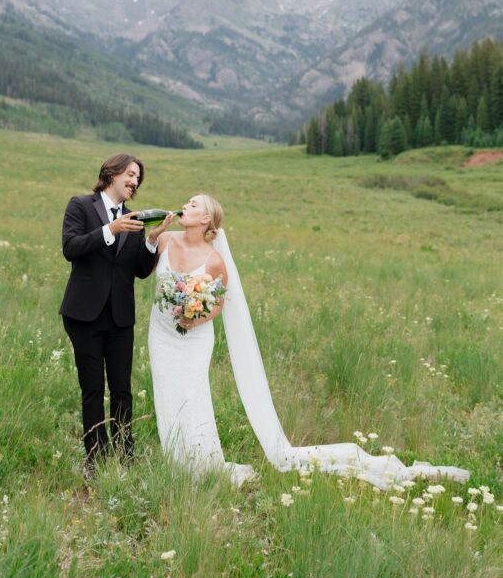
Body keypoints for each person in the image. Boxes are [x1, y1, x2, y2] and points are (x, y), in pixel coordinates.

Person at [148, 193, 470, 490]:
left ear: (206, 219)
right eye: (187, 203)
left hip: (194, 339)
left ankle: (202, 465)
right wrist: (151, 235)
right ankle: (175, 459)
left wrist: (195, 316)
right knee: (167, 392)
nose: (185, 207)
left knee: (194, 395)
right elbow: (145, 264)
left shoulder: (214, 260)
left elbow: (217, 303)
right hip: (162, 335)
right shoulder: (165, 239)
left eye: (193, 205)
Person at [60, 152, 173, 474]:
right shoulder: (80, 206)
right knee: (93, 389)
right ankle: (94, 458)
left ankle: (125, 453)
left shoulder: (135, 220)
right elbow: (71, 248)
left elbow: (138, 271)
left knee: (121, 389)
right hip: (84, 315)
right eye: (131, 174)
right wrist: (110, 228)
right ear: (111, 173)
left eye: (138, 178)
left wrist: (150, 241)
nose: (135, 181)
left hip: (120, 317)